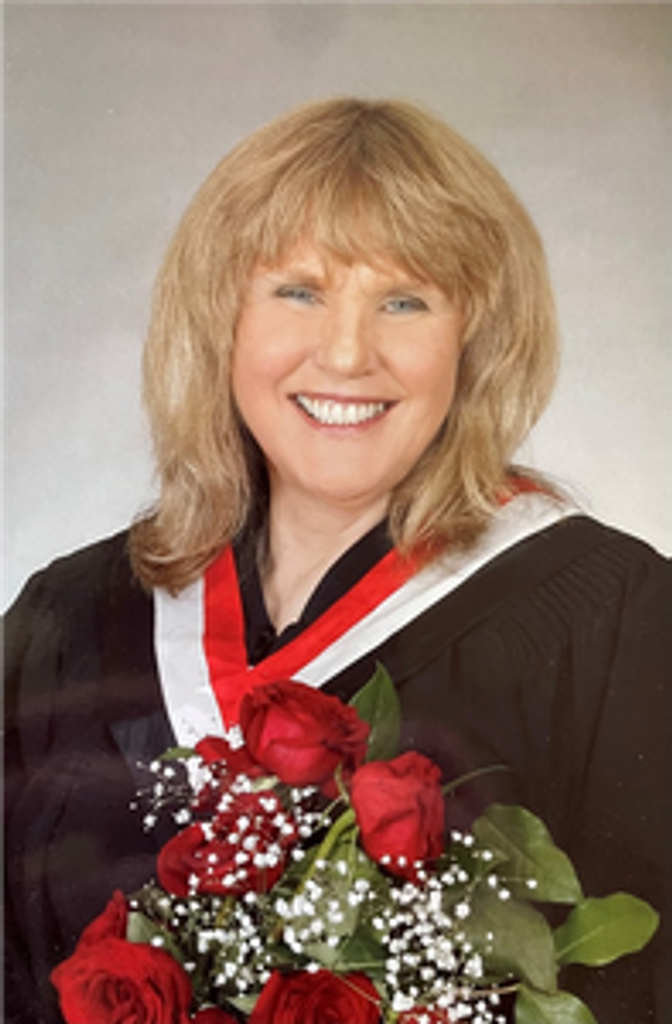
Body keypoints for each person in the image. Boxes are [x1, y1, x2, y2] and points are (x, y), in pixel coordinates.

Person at [0, 98, 668, 1024]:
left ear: (474, 340)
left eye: (405, 301)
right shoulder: (67, 621)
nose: (348, 354)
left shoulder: (614, 622)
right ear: (221, 320)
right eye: (299, 291)